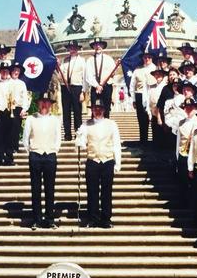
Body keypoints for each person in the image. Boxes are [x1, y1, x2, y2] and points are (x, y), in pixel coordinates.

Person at [76, 99, 121, 228]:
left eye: (100, 108)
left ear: (104, 110)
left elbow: (116, 144)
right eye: (95, 108)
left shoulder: (112, 124)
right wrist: (79, 140)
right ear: (92, 110)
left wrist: (118, 163)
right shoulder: (86, 125)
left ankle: (106, 219)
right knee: (92, 191)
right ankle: (93, 218)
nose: (97, 110)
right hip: (92, 160)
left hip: (107, 160)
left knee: (107, 191)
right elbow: (82, 142)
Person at [22, 94, 62, 229]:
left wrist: (54, 150)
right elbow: (25, 138)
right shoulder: (30, 119)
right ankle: (37, 219)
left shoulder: (55, 120)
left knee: (50, 189)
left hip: (50, 155)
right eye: (42, 102)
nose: (44, 105)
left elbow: (58, 138)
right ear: (38, 104)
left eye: (47, 102)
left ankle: (50, 218)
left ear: (50, 104)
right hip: (35, 155)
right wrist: (31, 152)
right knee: (36, 188)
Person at [59, 40, 85, 141]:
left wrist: (83, 92)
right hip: (65, 87)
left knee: (77, 112)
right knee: (66, 112)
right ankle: (67, 134)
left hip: (76, 87)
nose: (72, 50)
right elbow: (60, 75)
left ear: (77, 49)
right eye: (70, 48)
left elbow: (84, 77)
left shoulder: (82, 61)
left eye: (74, 48)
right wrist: (57, 67)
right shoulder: (65, 60)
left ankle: (78, 133)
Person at [129, 51, 156, 145]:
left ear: (152, 58)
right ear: (142, 58)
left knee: (154, 118)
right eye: (145, 57)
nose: (147, 59)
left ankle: (155, 141)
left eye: (149, 57)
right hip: (140, 95)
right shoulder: (137, 70)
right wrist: (133, 99)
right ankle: (143, 141)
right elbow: (132, 86)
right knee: (142, 119)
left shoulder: (156, 68)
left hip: (152, 95)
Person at [85, 38, 116, 118]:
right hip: (95, 87)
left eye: (100, 45)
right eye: (96, 45)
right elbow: (88, 75)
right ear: (93, 47)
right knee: (94, 109)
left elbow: (113, 74)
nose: (98, 46)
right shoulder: (90, 60)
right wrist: (97, 86)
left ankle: (106, 127)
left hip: (106, 87)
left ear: (103, 46)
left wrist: (103, 83)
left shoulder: (109, 59)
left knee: (106, 109)